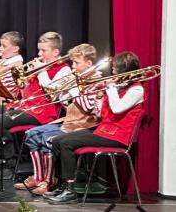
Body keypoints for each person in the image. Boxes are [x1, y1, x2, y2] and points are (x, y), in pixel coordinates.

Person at [44, 51, 147, 205]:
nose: (112, 72)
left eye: (115, 69)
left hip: (118, 136)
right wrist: (99, 96)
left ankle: (71, 191)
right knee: (58, 141)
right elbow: (100, 114)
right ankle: (62, 185)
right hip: (104, 129)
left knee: (66, 143)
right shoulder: (118, 87)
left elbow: (118, 108)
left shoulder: (137, 90)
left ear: (125, 70)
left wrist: (110, 89)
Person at [15, 44, 102, 195]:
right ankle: (38, 177)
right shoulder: (78, 79)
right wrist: (64, 95)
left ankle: (49, 181)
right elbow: (66, 104)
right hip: (69, 121)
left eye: (77, 63)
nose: (73, 66)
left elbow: (88, 107)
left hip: (83, 125)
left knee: (48, 139)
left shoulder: (96, 80)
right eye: (73, 62)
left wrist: (73, 90)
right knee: (32, 134)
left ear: (88, 63)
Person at [0, 32, 71, 164]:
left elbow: (52, 94)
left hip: (43, 111)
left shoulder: (64, 70)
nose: (39, 54)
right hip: (26, 105)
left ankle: (8, 160)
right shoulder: (40, 65)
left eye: (43, 50)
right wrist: (23, 84)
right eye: (39, 50)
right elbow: (26, 95)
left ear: (55, 52)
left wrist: (41, 72)